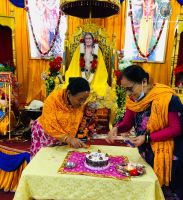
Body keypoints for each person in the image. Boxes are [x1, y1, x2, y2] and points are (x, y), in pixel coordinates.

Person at [106, 65, 183, 190]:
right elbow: (127, 123)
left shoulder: (167, 98)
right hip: (146, 149)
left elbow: (176, 128)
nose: (128, 94)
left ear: (144, 81)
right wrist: (117, 128)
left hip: (167, 152)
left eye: (130, 89)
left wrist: (147, 137)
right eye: (125, 90)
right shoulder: (133, 100)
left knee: (166, 189)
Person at [64, 32, 117, 129]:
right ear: (84, 40)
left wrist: (92, 78)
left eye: (90, 39)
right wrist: (82, 78)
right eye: (86, 39)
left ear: (93, 40)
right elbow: (74, 65)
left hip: (95, 76)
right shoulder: (79, 50)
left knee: (102, 90)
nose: (88, 40)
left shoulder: (97, 51)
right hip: (80, 75)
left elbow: (100, 67)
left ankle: (108, 123)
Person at [30, 77, 90, 157]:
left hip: (64, 139)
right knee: (43, 161)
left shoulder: (79, 104)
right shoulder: (53, 100)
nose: (82, 103)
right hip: (45, 136)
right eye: (80, 99)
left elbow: (75, 121)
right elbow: (50, 124)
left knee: (60, 162)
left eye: (85, 99)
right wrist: (69, 139)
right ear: (69, 93)